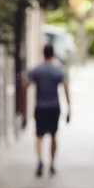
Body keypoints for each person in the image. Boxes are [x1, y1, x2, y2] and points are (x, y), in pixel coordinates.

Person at [26, 41, 70, 176]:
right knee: (53, 135)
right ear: (53, 54)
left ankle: (39, 159)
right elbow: (66, 88)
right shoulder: (58, 70)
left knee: (39, 136)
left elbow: (25, 85)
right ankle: (52, 163)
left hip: (40, 106)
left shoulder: (36, 70)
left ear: (43, 53)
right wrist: (69, 106)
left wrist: (22, 105)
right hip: (54, 107)